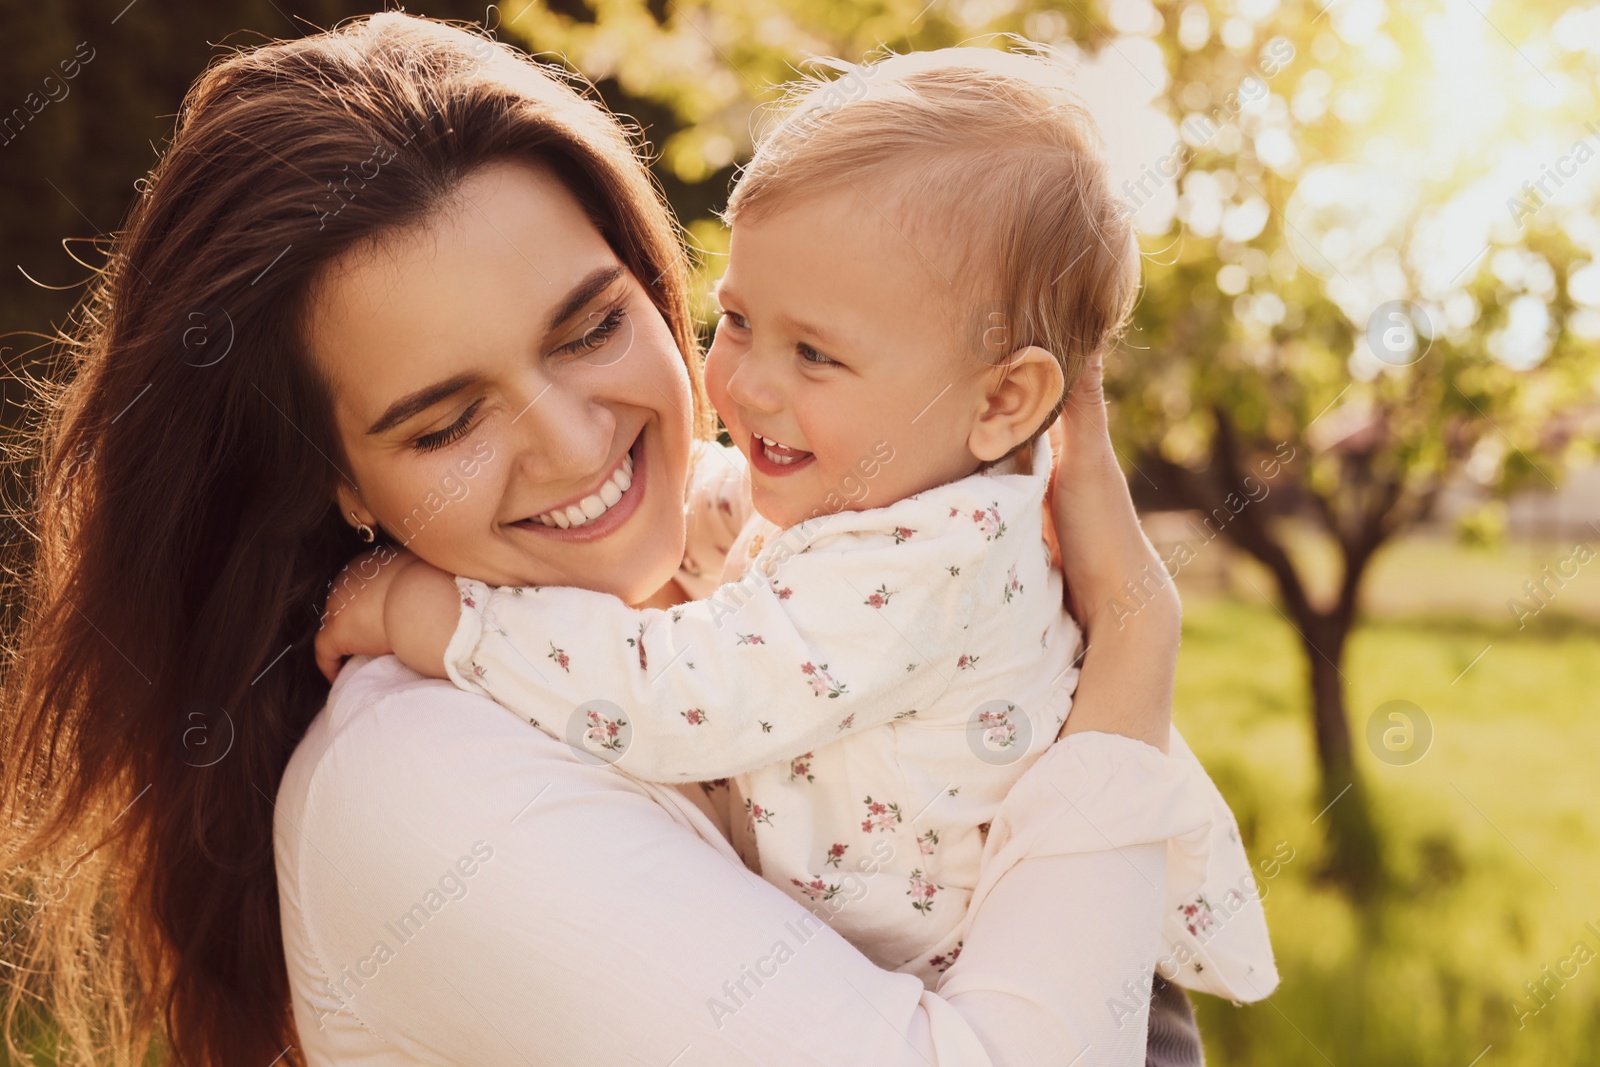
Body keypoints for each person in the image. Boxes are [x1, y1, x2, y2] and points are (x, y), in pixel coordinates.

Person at [0, 14, 1250, 1066]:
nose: (574, 442)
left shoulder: (768, 551)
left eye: (591, 327)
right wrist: (1132, 651)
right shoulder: (425, 779)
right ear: (341, 482)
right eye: (447, 422)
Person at [314, 47, 1275, 1001]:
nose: (746, 382)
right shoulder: (903, 488)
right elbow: (729, 513)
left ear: (1002, 400)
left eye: (814, 352)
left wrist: (437, 617)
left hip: (1094, 1015)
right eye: (735, 318)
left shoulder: (926, 564)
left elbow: (678, 694)